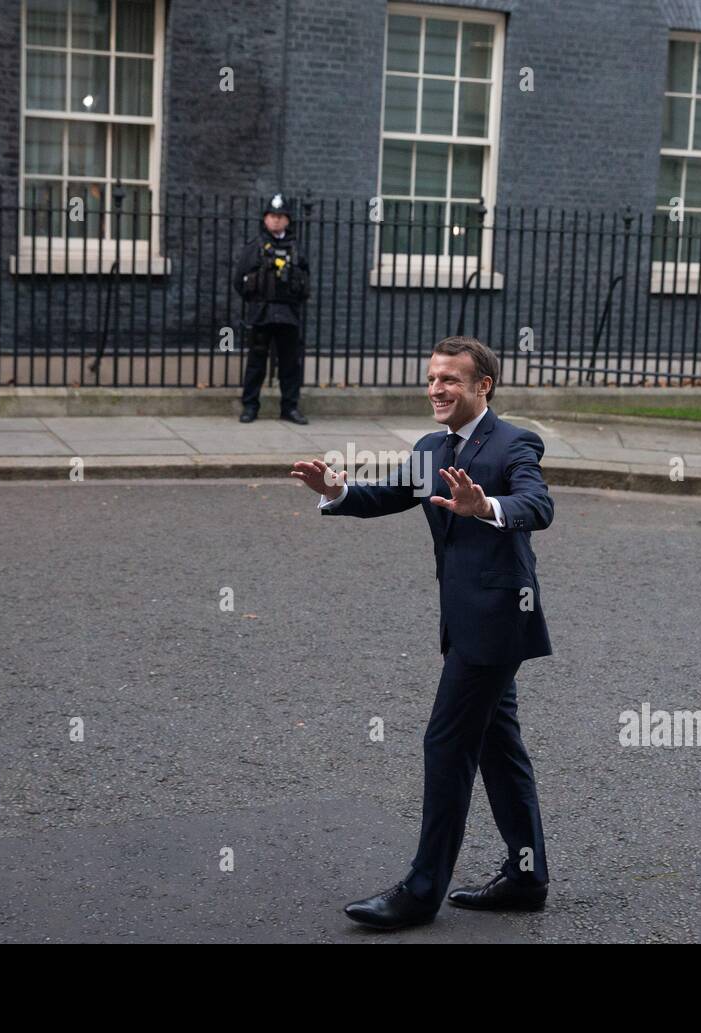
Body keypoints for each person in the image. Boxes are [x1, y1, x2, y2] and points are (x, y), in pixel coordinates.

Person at [290, 335, 554, 930]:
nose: (436, 388)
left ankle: (421, 889)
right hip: (466, 623)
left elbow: (537, 505)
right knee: (497, 747)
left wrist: (484, 506)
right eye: (432, 378)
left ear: (482, 386)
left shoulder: (515, 441)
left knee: (446, 744)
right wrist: (336, 491)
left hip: (496, 623)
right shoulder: (433, 446)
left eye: (450, 380)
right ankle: (526, 875)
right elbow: (387, 495)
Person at [234, 192, 310, 425]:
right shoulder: (254, 247)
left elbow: (306, 283)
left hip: (288, 316)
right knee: (256, 363)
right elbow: (239, 281)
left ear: (288, 220)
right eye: (272, 215)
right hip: (261, 314)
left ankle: (290, 407)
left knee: (290, 364)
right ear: (265, 219)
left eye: (281, 216)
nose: (276, 220)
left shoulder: (296, 248)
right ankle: (250, 407)